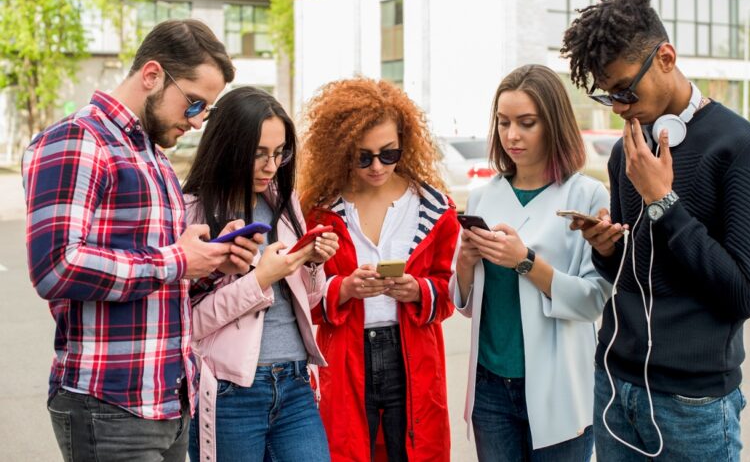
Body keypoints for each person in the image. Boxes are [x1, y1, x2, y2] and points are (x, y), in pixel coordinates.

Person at [560, 0, 750, 461]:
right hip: (616, 386)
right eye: (607, 96)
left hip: (693, 404)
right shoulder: (628, 153)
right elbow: (632, 274)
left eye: (626, 91)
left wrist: (662, 200)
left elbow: (742, 293)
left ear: (666, 58)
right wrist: (607, 248)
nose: (620, 109)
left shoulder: (743, 149)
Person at [22, 19, 260, 461]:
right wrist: (177, 260)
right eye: (193, 104)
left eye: (204, 111)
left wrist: (210, 264)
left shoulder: (153, 156)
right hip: (109, 403)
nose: (196, 122)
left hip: (168, 401)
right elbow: (55, 267)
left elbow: (163, 280)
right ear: (152, 75)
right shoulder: (78, 139)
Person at [449, 64, 610, 461]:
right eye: (503, 123)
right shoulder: (485, 195)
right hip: (490, 388)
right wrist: (466, 264)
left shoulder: (587, 195)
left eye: (526, 123)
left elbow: (593, 300)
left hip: (559, 386)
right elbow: (465, 303)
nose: (512, 136)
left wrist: (525, 262)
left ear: (553, 123)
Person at [298, 78, 459, 462]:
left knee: (417, 450)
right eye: (362, 156)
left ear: (405, 143)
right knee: (345, 450)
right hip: (344, 357)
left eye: (388, 154)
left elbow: (452, 292)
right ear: (341, 151)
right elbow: (303, 302)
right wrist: (344, 288)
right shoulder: (320, 211)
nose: (376, 166)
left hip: (414, 356)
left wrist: (419, 291)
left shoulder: (433, 208)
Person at [182, 86, 339, 462]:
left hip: (296, 382)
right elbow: (188, 323)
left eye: (279, 153)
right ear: (228, 148)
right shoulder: (192, 213)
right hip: (230, 392)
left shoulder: (284, 205)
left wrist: (313, 262)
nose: (271, 167)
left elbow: (310, 301)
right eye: (258, 155)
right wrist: (259, 280)